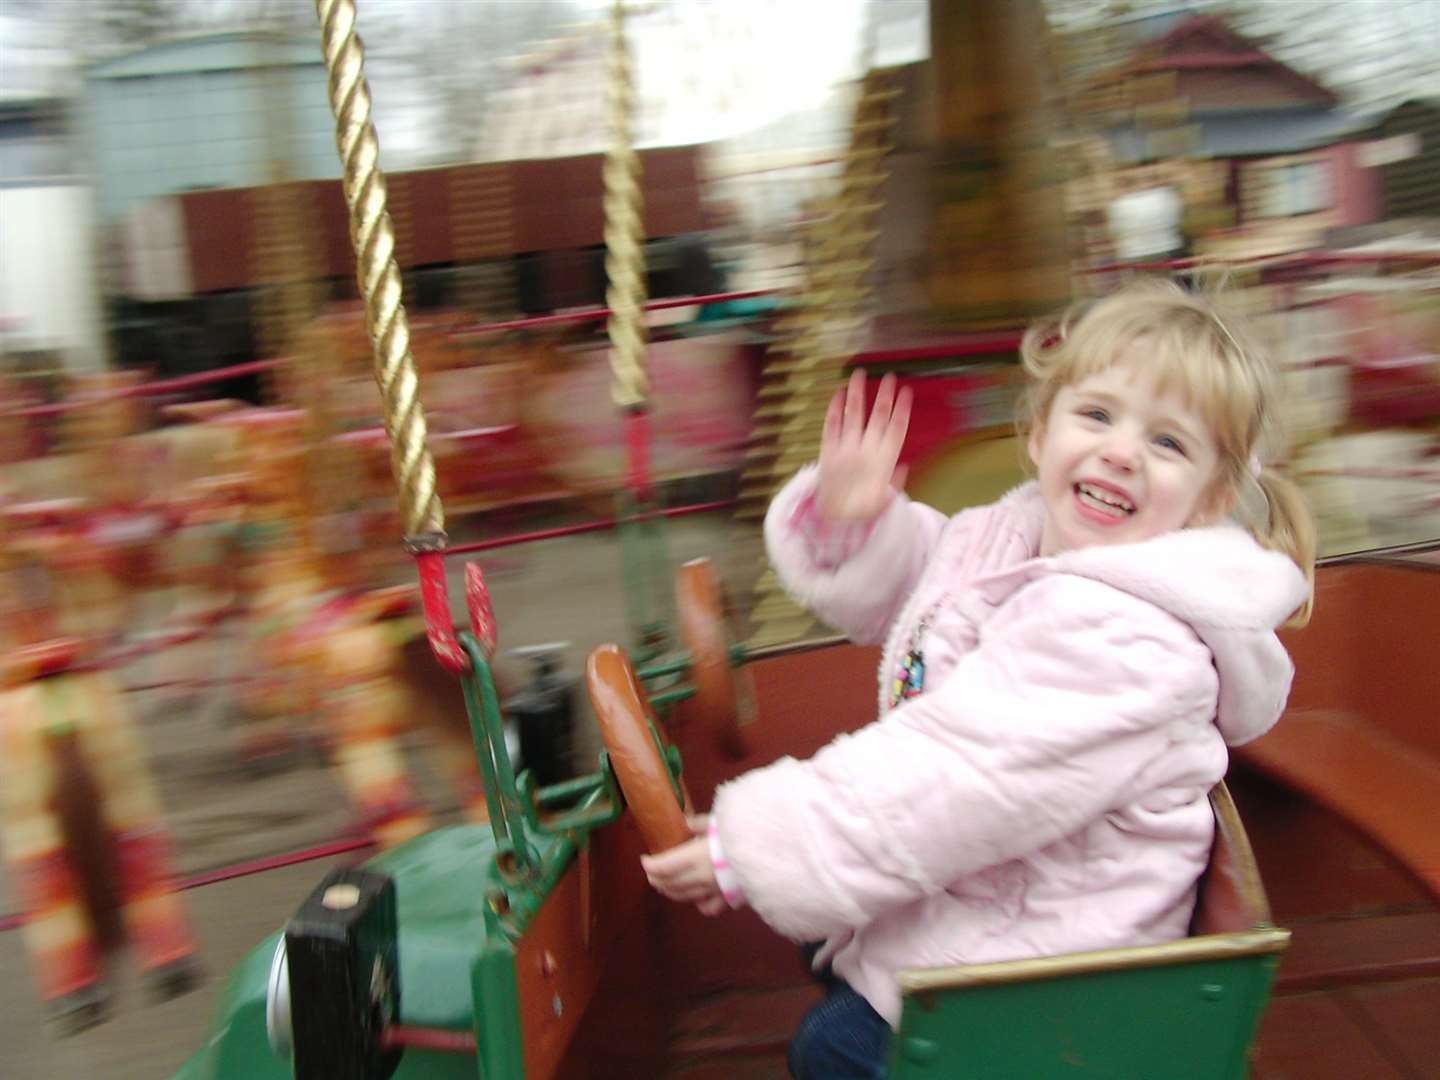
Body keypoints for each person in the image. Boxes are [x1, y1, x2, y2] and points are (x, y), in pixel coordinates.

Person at [642, 278, 1316, 1078]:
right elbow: (932, 583)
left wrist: (750, 848)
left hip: (1057, 966)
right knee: (825, 945)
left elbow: (959, 774)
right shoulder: (1015, 537)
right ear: (1038, 433)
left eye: (1169, 444)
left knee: (832, 1051)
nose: (1122, 450)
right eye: (1097, 415)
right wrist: (853, 523)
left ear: (1210, 499)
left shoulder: (1130, 641)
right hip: (1001, 894)